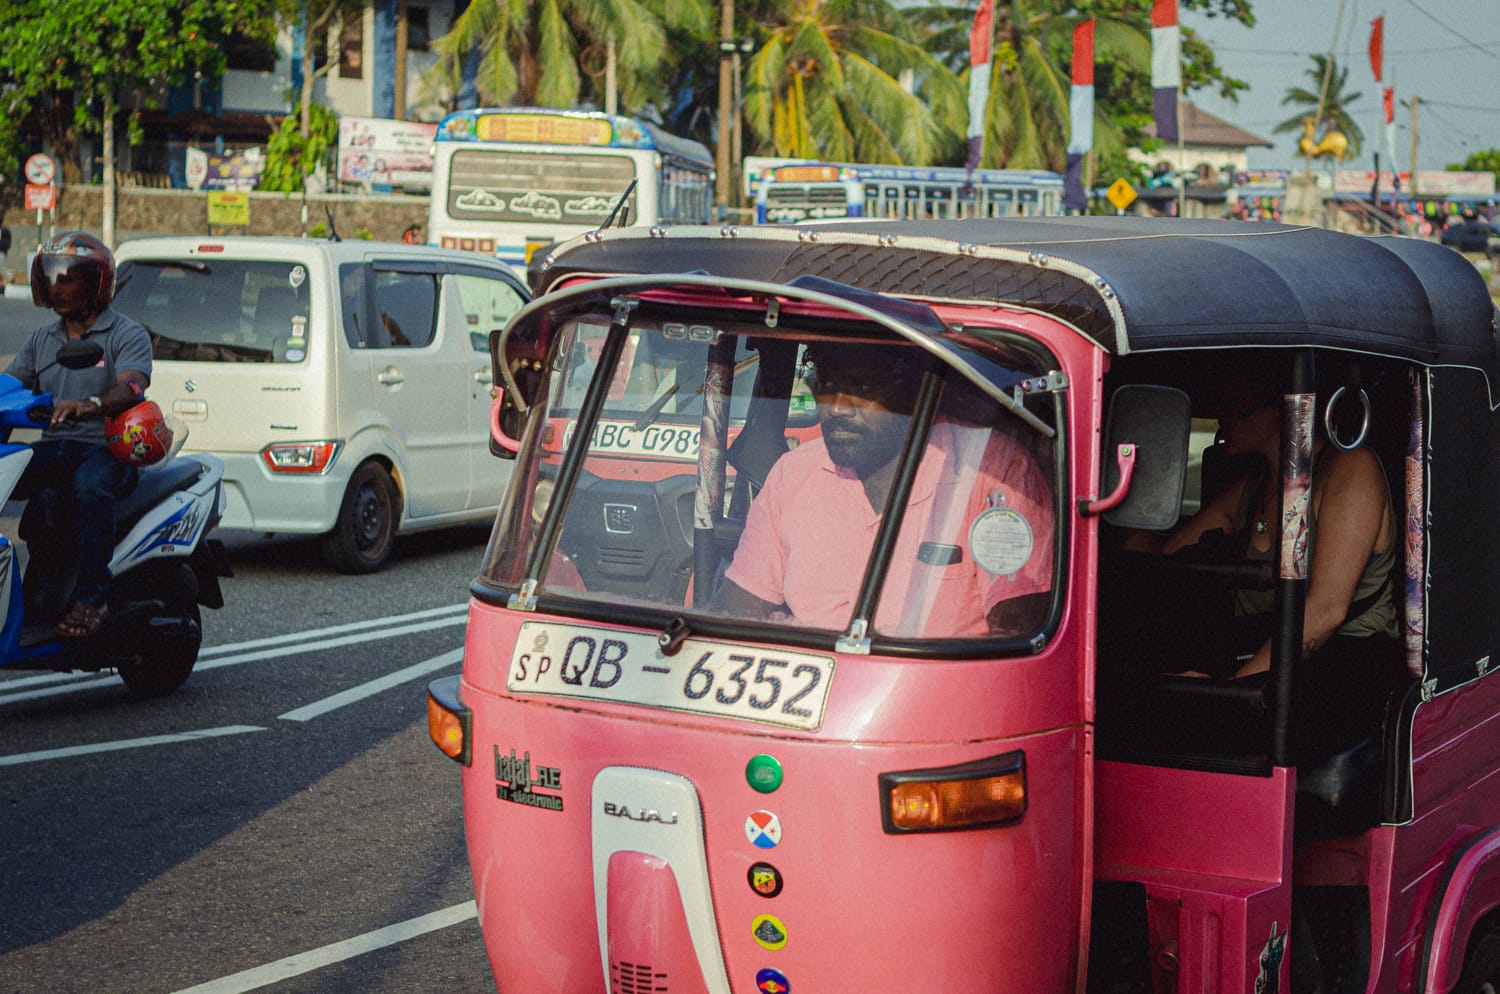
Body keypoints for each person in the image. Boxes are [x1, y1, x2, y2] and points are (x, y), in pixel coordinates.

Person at [711, 343, 1054, 638]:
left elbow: (1016, 640)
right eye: (828, 385)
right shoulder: (793, 474)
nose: (840, 408)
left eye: (863, 386)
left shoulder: (993, 471)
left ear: (911, 390)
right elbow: (735, 609)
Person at [1128, 376, 1401, 688]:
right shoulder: (1253, 486)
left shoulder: (1350, 468)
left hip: (1344, 666)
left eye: (1235, 404)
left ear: (1281, 406)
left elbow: (1325, 611)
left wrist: (1228, 691)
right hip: (1255, 652)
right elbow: (1164, 563)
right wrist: (1129, 493)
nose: (1222, 416)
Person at [7, 231, 154, 638]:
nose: (58, 287)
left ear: (94, 282)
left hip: (105, 450)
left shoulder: (126, 333)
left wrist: (90, 403)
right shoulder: (42, 339)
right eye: (52, 276)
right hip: (54, 448)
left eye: (68, 277)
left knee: (88, 486)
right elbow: (10, 386)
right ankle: (35, 587)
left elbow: (133, 386)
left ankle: (93, 597)